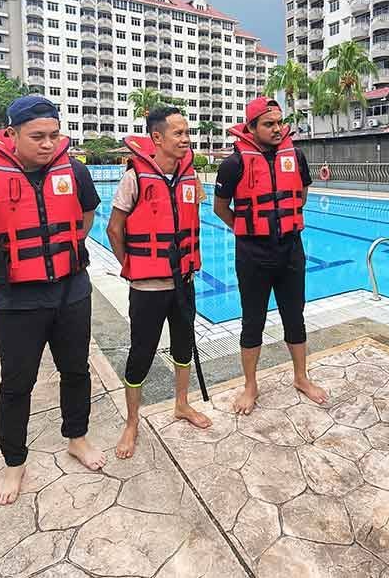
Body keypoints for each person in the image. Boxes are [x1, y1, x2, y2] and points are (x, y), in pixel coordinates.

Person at [0, 95, 105, 506]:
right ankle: (14, 461)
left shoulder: (74, 171)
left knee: (75, 370)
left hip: (71, 291)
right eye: (37, 136)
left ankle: (77, 436)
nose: (48, 144)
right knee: (18, 382)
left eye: (54, 135)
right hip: (16, 299)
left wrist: (69, 248)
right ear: (11, 134)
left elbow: (86, 215)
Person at [106, 107, 212, 459]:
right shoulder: (134, 178)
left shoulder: (189, 175)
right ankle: (132, 422)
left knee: (184, 347)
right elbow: (114, 229)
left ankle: (182, 404)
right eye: (178, 133)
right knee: (141, 355)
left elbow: (196, 213)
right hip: (148, 288)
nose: (185, 139)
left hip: (183, 282)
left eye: (187, 133)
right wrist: (132, 266)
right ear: (157, 138)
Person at [213, 97, 326, 414]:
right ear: (251, 128)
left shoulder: (296, 156)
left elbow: (301, 193)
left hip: (290, 248)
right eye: (268, 124)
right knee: (253, 321)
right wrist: (247, 227)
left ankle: (301, 377)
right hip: (253, 253)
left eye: (279, 122)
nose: (277, 129)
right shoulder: (233, 164)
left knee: (295, 315)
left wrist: (284, 218)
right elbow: (220, 207)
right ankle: (250, 385)